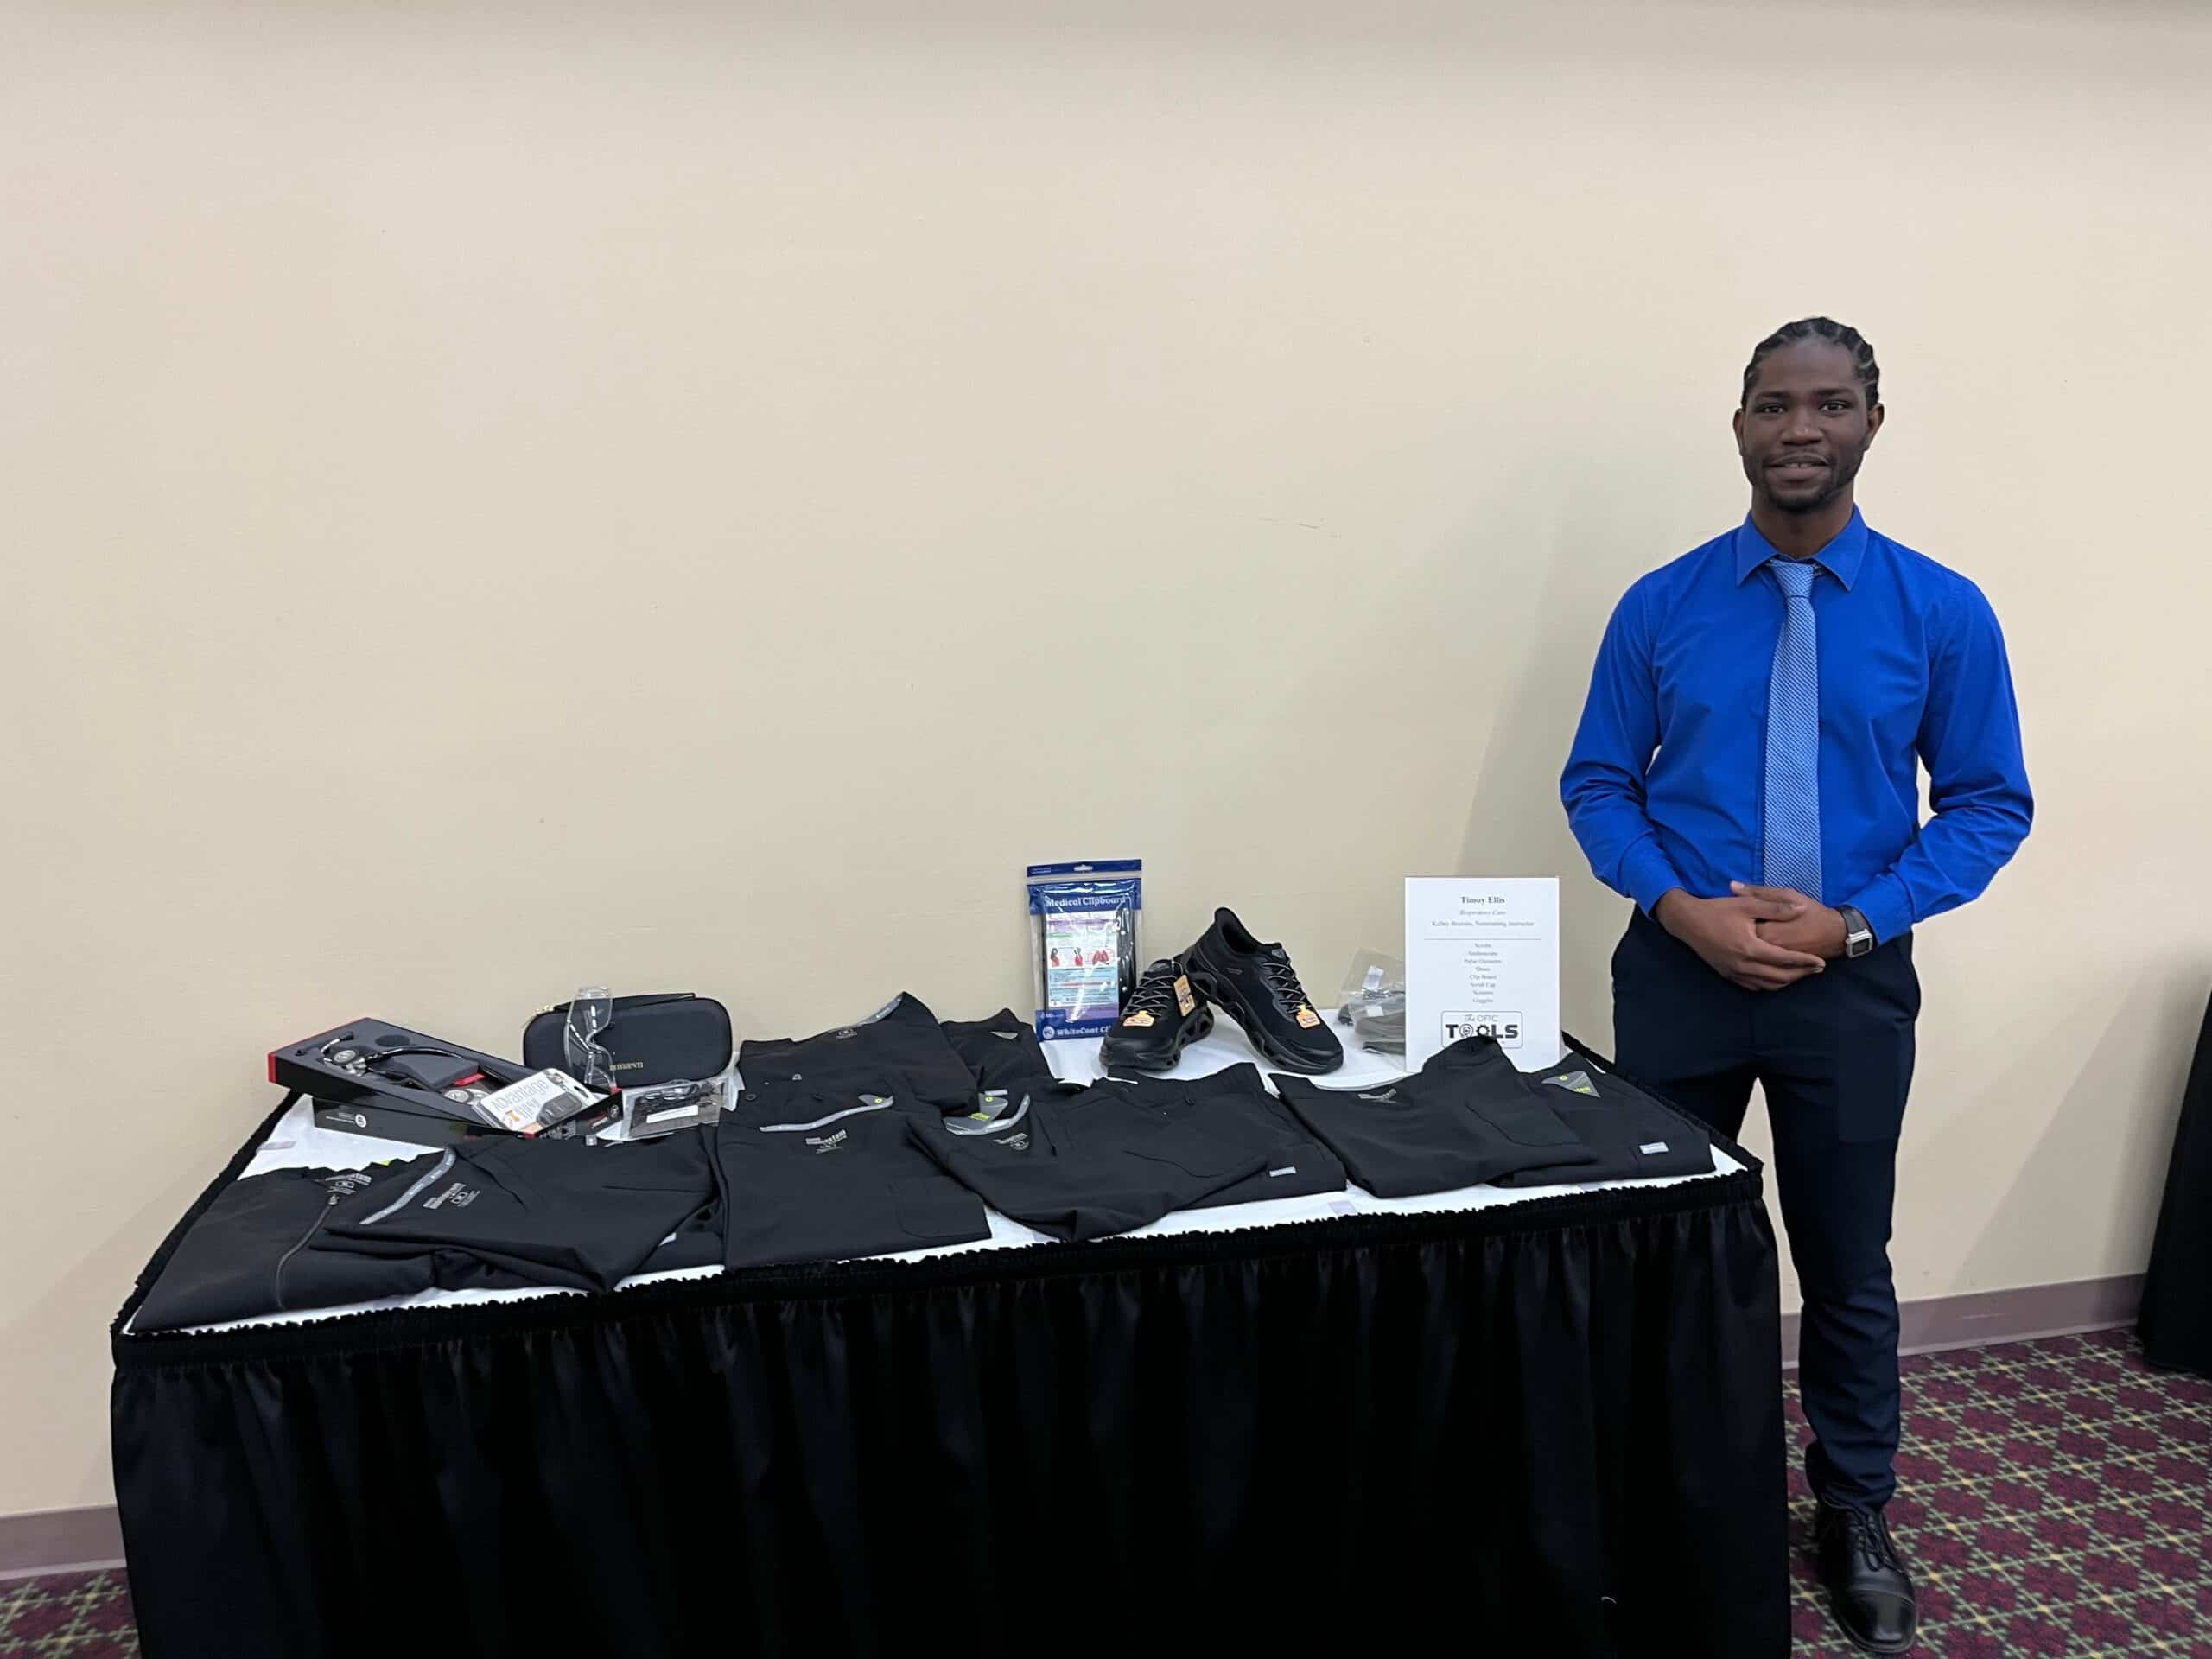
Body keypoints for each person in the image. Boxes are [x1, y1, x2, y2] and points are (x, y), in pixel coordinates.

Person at [1560, 317, 2032, 1655]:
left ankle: (1855, 1507)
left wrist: (1856, 926)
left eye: (1829, 405)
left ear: (1872, 421)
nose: (1800, 430)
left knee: (1844, 1259)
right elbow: (1598, 780)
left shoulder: (1940, 610)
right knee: (1665, 1259)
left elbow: (1989, 804)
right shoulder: (1661, 605)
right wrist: (1682, 911)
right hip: (1677, 979)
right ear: (1740, 427)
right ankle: (1665, 1496)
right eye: (1775, 406)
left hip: (1849, 991)